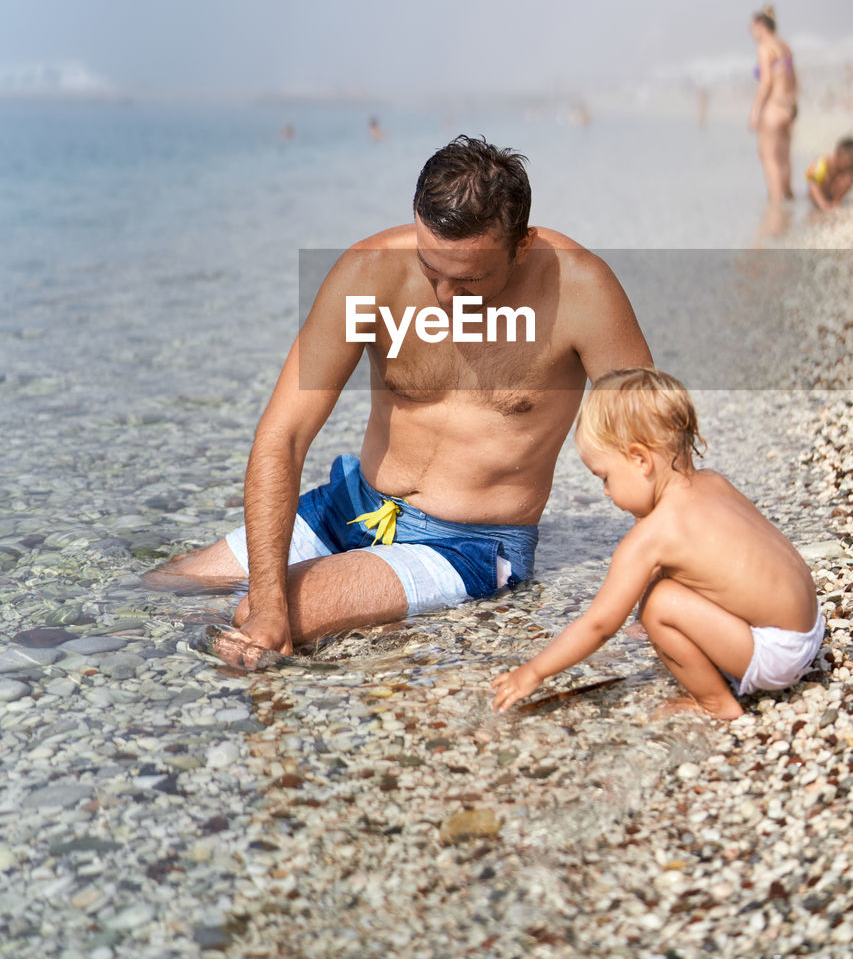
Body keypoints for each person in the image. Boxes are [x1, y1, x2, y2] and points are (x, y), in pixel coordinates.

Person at [151, 136, 651, 668]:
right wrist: (271, 601)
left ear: (520, 246)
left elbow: (653, 442)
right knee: (163, 589)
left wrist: (663, 592)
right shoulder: (368, 273)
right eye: (430, 268)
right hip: (353, 504)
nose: (443, 297)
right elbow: (285, 436)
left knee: (258, 615)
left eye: (469, 279)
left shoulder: (581, 290)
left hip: (466, 543)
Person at [491, 368, 823, 721]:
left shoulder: (653, 535)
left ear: (640, 459)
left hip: (778, 656)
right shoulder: (714, 483)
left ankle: (717, 704)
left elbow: (599, 625)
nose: (605, 491)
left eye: (605, 476)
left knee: (658, 605)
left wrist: (534, 672)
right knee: (666, 588)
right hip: (809, 627)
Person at [748, 4, 798, 204]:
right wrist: (793, 106)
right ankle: (789, 202)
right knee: (784, 158)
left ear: (761, 25)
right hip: (788, 107)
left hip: (773, 107)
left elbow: (766, 82)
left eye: (752, 27)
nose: (751, 33)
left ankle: (776, 210)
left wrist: (755, 111)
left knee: (768, 158)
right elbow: (794, 79)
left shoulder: (764, 47)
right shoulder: (785, 47)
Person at [806, 136, 853, 210]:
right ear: (837, 156)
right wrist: (822, 203)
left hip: (831, 195)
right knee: (818, 179)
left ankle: (836, 201)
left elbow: (848, 181)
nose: (849, 167)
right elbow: (812, 185)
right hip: (815, 197)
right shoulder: (823, 163)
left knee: (848, 178)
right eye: (847, 163)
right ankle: (823, 201)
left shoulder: (847, 171)